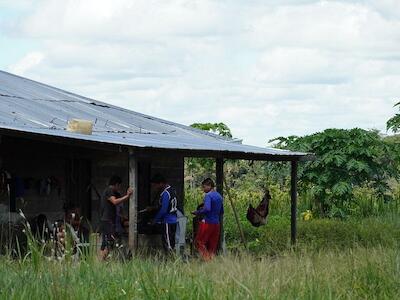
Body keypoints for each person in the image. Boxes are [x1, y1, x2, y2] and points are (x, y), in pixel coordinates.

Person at [99, 175, 133, 260]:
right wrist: (127, 196)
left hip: (108, 221)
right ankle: (101, 261)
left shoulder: (114, 192)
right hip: (107, 221)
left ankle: (101, 261)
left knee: (107, 243)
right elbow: (114, 201)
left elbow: (118, 199)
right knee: (108, 243)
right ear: (117, 184)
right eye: (120, 186)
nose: (120, 188)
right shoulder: (109, 190)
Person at [192, 178, 224, 260]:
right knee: (212, 244)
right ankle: (211, 260)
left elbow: (207, 209)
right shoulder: (219, 196)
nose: (203, 189)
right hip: (216, 223)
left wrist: (198, 212)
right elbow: (222, 211)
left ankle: (207, 260)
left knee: (199, 242)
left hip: (207, 222)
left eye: (204, 187)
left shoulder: (208, 195)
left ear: (209, 186)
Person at [150, 174, 178, 253]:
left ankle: (171, 261)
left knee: (168, 244)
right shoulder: (172, 190)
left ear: (161, 183)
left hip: (168, 221)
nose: (155, 188)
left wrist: (155, 220)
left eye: (155, 185)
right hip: (174, 220)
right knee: (171, 241)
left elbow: (163, 210)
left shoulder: (166, 193)